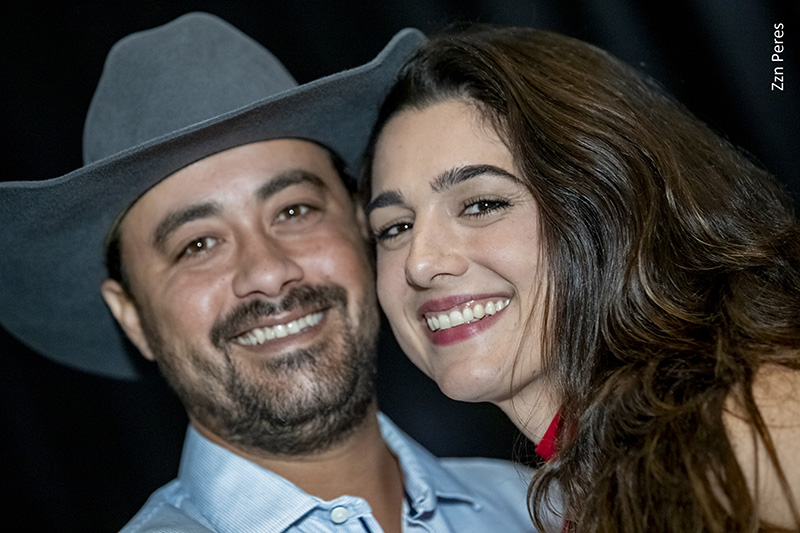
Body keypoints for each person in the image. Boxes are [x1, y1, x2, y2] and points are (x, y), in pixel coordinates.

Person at [0, 14, 537, 532]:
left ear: (362, 227)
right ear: (132, 317)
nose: (269, 272)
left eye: (294, 211)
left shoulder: (542, 508)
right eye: (198, 245)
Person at [362, 24, 800, 532]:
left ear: (609, 205)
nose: (419, 262)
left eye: (482, 204)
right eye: (394, 228)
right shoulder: (590, 478)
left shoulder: (751, 417)